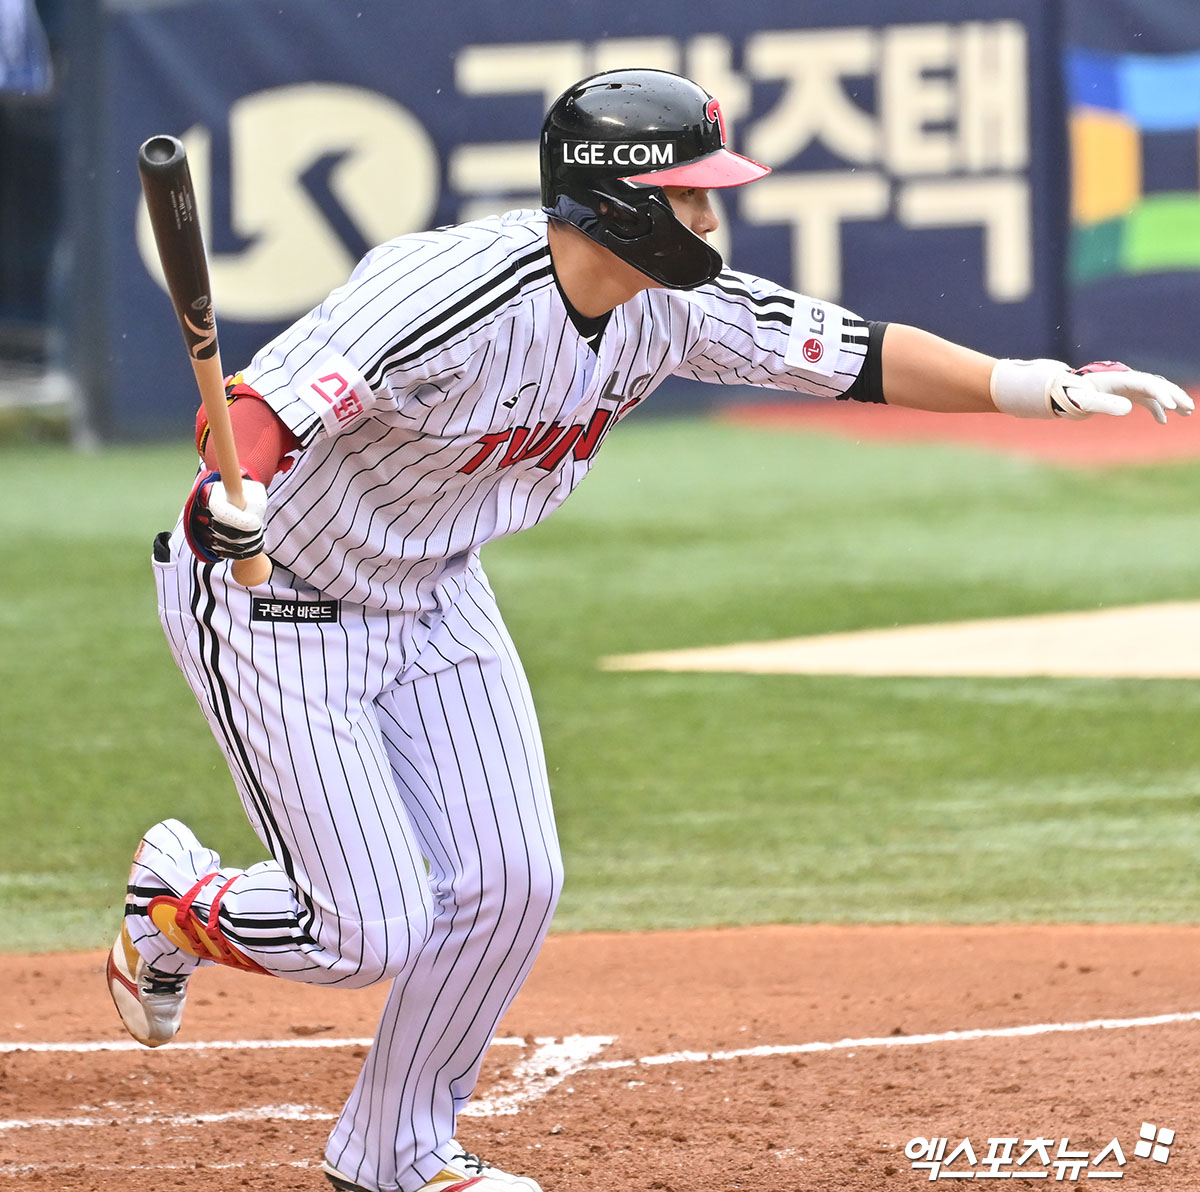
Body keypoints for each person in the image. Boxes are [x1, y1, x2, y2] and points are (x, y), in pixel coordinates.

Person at [105, 67, 1193, 1192]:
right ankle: (177, 901)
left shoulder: (667, 306)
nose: (710, 219)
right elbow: (257, 408)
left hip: (434, 592)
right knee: (363, 934)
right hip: (278, 602)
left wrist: (1031, 384)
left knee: (513, 881)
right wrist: (232, 489)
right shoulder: (447, 288)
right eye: (689, 193)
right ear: (616, 198)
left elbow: (857, 353)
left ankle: (395, 1153)